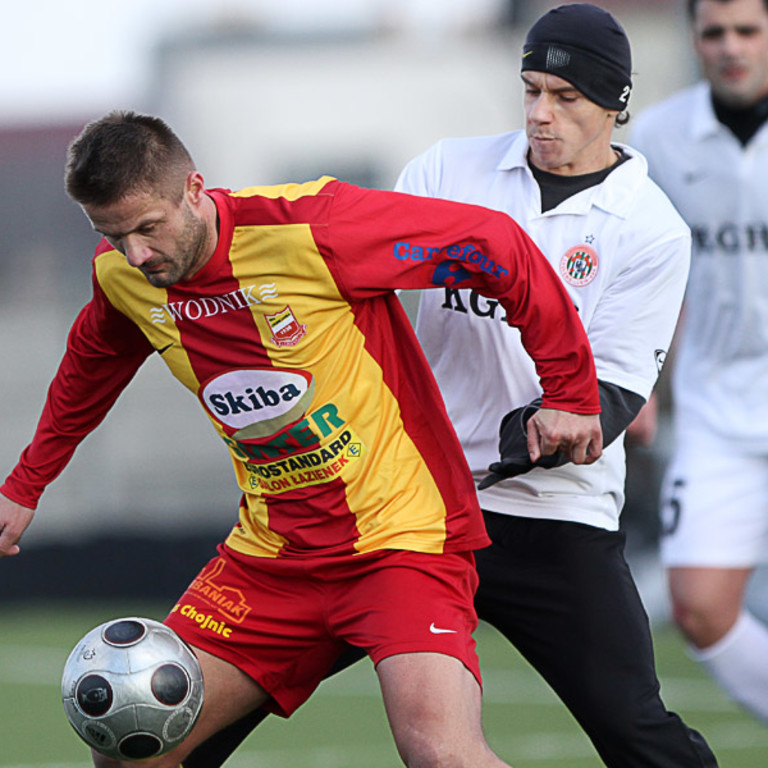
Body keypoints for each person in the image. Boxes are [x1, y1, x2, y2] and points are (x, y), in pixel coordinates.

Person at [176, 5, 720, 768]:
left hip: (551, 517)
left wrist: (549, 425)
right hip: (406, 508)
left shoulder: (651, 226)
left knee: (637, 731)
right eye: (530, 90)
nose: (540, 114)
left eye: (565, 98)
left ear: (614, 104)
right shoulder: (445, 170)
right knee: (184, 729)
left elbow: (619, 388)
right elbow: (365, 296)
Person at [0, 110, 604, 768]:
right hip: (272, 561)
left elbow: (496, 244)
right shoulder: (123, 278)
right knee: (130, 751)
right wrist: (25, 485)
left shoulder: (310, 227)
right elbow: (90, 367)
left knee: (441, 753)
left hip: (399, 542)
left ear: (195, 190)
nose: (137, 254)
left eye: (149, 227)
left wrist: (571, 393)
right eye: (114, 235)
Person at [631, 0, 768, 725]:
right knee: (701, 608)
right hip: (716, 413)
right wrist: (643, 381)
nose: (731, 47)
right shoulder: (661, 138)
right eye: (714, 32)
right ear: (695, 40)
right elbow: (644, 273)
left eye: (748, 30)